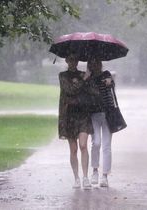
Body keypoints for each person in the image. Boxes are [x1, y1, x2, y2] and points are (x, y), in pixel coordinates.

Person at [58, 54, 93, 190]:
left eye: (75, 59)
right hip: (69, 116)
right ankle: (76, 178)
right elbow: (70, 91)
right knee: (73, 149)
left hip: (83, 114)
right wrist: (83, 80)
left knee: (83, 145)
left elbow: (90, 92)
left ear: (78, 61)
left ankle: (85, 177)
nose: (73, 62)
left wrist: (89, 79)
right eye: (70, 59)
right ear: (67, 61)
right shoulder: (63, 76)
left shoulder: (84, 74)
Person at [86, 59, 114, 187]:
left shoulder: (106, 74)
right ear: (90, 65)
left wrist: (110, 81)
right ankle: (95, 171)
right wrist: (85, 79)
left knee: (107, 145)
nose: (95, 65)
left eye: (97, 62)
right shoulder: (88, 78)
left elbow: (111, 83)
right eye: (93, 63)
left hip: (108, 114)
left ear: (100, 64)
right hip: (94, 114)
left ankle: (105, 176)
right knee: (96, 142)